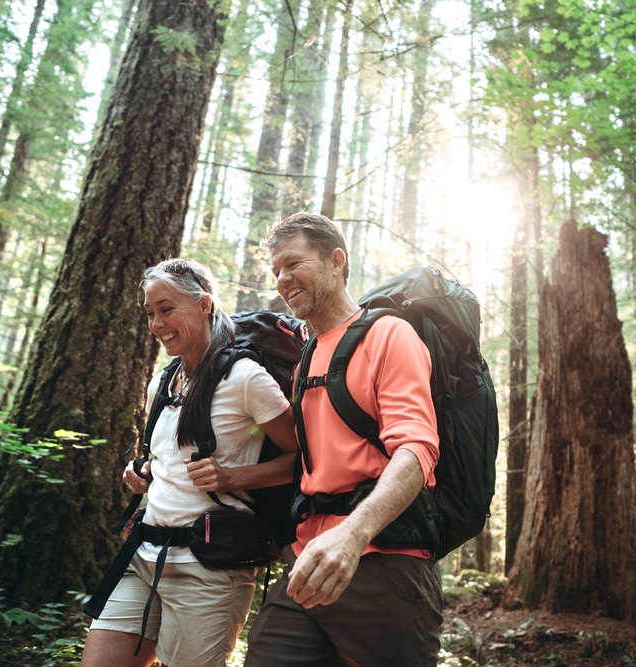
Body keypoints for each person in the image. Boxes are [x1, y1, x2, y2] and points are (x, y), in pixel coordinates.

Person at [244, 213, 443, 667]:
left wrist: (352, 535)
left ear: (336, 262)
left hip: (384, 559)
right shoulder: (307, 357)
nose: (282, 279)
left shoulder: (388, 334)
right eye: (276, 270)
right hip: (308, 560)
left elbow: (417, 448)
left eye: (294, 263)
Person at [82, 258, 299, 667]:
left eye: (166, 309)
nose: (157, 324)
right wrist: (144, 472)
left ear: (204, 305)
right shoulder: (162, 382)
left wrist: (232, 477)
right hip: (143, 556)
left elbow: (303, 459)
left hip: (210, 569)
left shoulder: (246, 378)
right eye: (150, 313)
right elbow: (167, 458)